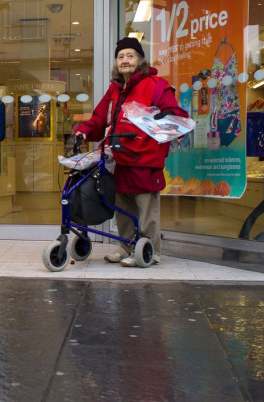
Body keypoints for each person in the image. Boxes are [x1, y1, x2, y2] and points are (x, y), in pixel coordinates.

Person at [73, 37, 187, 267]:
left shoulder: (156, 85)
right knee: (122, 206)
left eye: (130, 56)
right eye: (121, 56)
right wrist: (84, 130)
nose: (125, 60)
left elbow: (175, 113)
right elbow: (99, 118)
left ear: (140, 59)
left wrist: (161, 120)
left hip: (146, 158)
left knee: (146, 208)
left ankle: (149, 250)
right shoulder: (115, 90)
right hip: (118, 158)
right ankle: (126, 246)